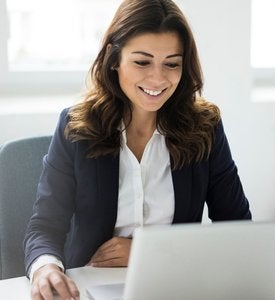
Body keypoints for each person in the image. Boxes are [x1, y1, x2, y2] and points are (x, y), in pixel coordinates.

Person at [24, 0, 251, 299]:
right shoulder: (75, 127)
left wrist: (151, 252)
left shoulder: (205, 128)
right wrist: (45, 269)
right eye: (142, 62)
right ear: (114, 58)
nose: (158, 78)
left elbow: (238, 231)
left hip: (175, 285)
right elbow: (44, 227)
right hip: (92, 286)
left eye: (172, 63)